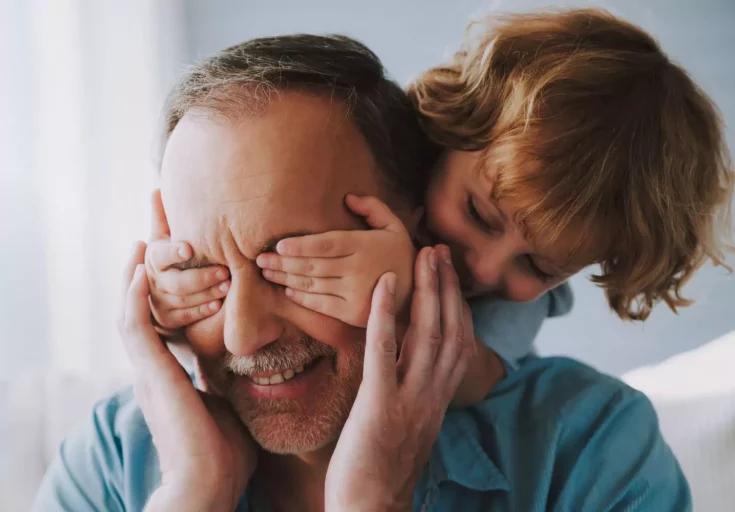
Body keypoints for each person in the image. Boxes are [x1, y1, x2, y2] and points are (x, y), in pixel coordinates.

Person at [34, 32, 690, 511]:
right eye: (204, 267)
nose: (242, 336)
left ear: (408, 229)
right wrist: (192, 493)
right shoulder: (112, 461)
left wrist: (372, 502)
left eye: (292, 262)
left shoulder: (590, 452)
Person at [147, 9, 735, 368]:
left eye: (538, 265)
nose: (482, 269)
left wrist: (400, 303)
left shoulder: (512, 320)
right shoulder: (374, 155)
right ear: (451, 128)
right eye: (479, 215)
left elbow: (466, 378)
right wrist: (185, 289)